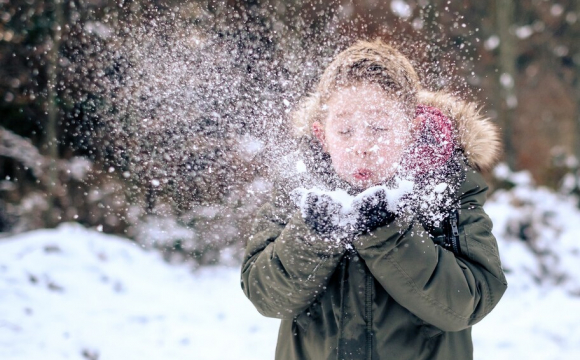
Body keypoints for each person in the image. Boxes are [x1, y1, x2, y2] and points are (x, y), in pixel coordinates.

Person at [240, 38, 508, 360]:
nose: (362, 146)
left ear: (412, 129)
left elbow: (470, 302)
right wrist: (315, 234)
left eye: (379, 128)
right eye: (344, 131)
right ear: (321, 134)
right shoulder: (299, 189)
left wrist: (389, 233)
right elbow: (265, 296)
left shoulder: (446, 187)